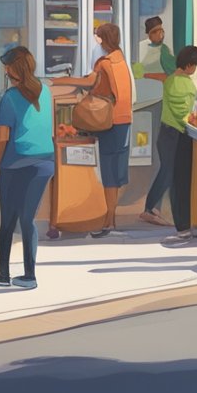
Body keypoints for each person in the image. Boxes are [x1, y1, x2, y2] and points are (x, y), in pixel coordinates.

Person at [54, 23, 132, 238]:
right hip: (124, 120)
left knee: (108, 172)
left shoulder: (105, 62)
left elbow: (89, 82)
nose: (96, 41)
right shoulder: (120, 59)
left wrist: (58, 80)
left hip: (108, 121)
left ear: (104, 39)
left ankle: (108, 221)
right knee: (116, 172)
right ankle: (111, 218)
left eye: (98, 37)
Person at [0, 47, 55, 290]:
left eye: (6, 66)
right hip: (45, 162)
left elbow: (3, 137)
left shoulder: (9, 97)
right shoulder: (46, 92)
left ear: (13, 69)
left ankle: (4, 275)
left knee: (8, 221)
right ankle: (30, 275)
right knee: (28, 220)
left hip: (16, 163)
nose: (4, 70)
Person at [159, 46, 197, 244]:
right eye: (195, 65)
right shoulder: (181, 83)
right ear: (188, 65)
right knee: (181, 181)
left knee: (179, 180)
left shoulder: (171, 80)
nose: (196, 68)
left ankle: (185, 224)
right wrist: (196, 122)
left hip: (170, 132)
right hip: (178, 133)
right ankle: (184, 226)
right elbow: (181, 111)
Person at [137, 17, 177, 83]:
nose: (160, 34)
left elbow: (172, 72)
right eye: (155, 32)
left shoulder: (164, 49)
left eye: (161, 31)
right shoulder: (141, 47)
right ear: (149, 34)